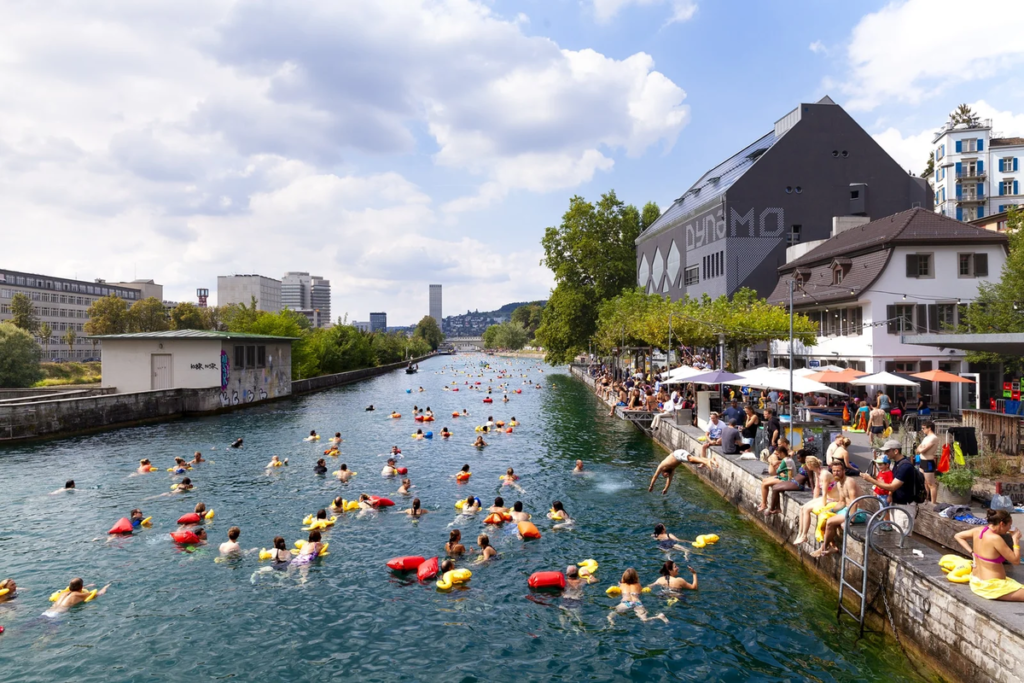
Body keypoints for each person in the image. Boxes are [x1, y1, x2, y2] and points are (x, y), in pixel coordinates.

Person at [954, 509, 1024, 601]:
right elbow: (1016, 561)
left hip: (976, 582)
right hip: (992, 586)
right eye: (1009, 526)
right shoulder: (995, 539)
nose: (1009, 529)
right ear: (1002, 524)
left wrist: (972, 552)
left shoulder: (978, 530)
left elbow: (958, 536)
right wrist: (1015, 540)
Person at [810, 460, 860, 557]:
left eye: (838, 471)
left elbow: (855, 502)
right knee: (823, 517)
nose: (836, 473)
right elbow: (841, 502)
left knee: (830, 521)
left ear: (844, 471)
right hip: (845, 509)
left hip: (857, 512)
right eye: (834, 471)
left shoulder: (849, 482)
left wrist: (851, 520)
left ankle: (823, 548)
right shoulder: (839, 483)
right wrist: (830, 510)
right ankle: (832, 546)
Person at [860, 439, 918, 513]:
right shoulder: (898, 463)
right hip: (898, 504)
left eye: (887, 451)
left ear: (896, 451)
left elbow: (892, 487)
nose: (885, 453)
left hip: (904, 506)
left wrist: (870, 479)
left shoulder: (905, 466)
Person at [757, 446, 794, 512]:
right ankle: (764, 502)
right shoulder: (787, 459)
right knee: (764, 480)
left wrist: (778, 466)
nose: (778, 456)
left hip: (786, 479)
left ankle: (764, 504)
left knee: (764, 484)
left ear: (782, 453)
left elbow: (778, 471)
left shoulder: (785, 460)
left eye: (778, 454)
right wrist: (779, 465)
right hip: (783, 477)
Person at [46, 578, 110, 614]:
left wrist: (87, 586)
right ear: (81, 587)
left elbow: (76, 589)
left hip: (47, 612)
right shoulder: (80, 595)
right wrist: (105, 587)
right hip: (56, 615)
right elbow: (99, 594)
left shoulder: (63, 593)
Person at [916, 420, 940, 504]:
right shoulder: (926, 438)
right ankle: (926, 499)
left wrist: (921, 449)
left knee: (931, 484)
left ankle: (933, 503)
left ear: (929, 428)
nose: (922, 430)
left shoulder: (933, 438)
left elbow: (923, 450)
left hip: (928, 461)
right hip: (922, 461)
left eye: (923, 428)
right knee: (924, 482)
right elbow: (918, 449)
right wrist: (920, 449)